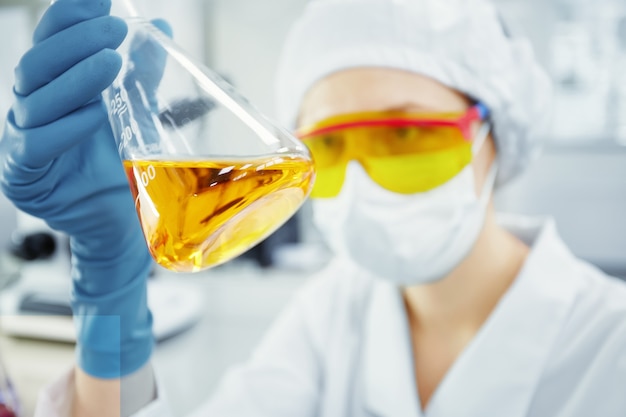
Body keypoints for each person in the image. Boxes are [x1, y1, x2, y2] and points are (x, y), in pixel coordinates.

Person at [1, 0, 625, 416]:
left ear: (497, 133)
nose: (360, 180)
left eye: (406, 137)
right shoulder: (335, 313)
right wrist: (111, 297)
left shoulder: (609, 347)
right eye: (330, 145)